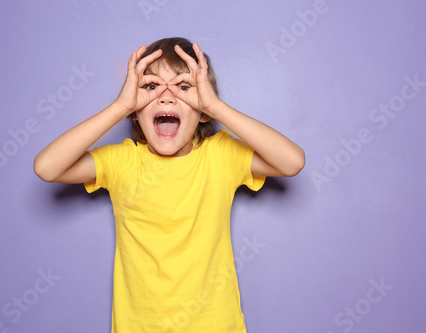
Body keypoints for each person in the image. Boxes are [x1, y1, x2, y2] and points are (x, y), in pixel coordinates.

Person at [34, 37, 305, 333]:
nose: (167, 97)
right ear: (136, 111)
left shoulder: (221, 156)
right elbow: (47, 167)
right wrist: (121, 106)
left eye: (184, 87)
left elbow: (292, 162)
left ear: (202, 113)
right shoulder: (123, 161)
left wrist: (214, 105)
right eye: (151, 87)